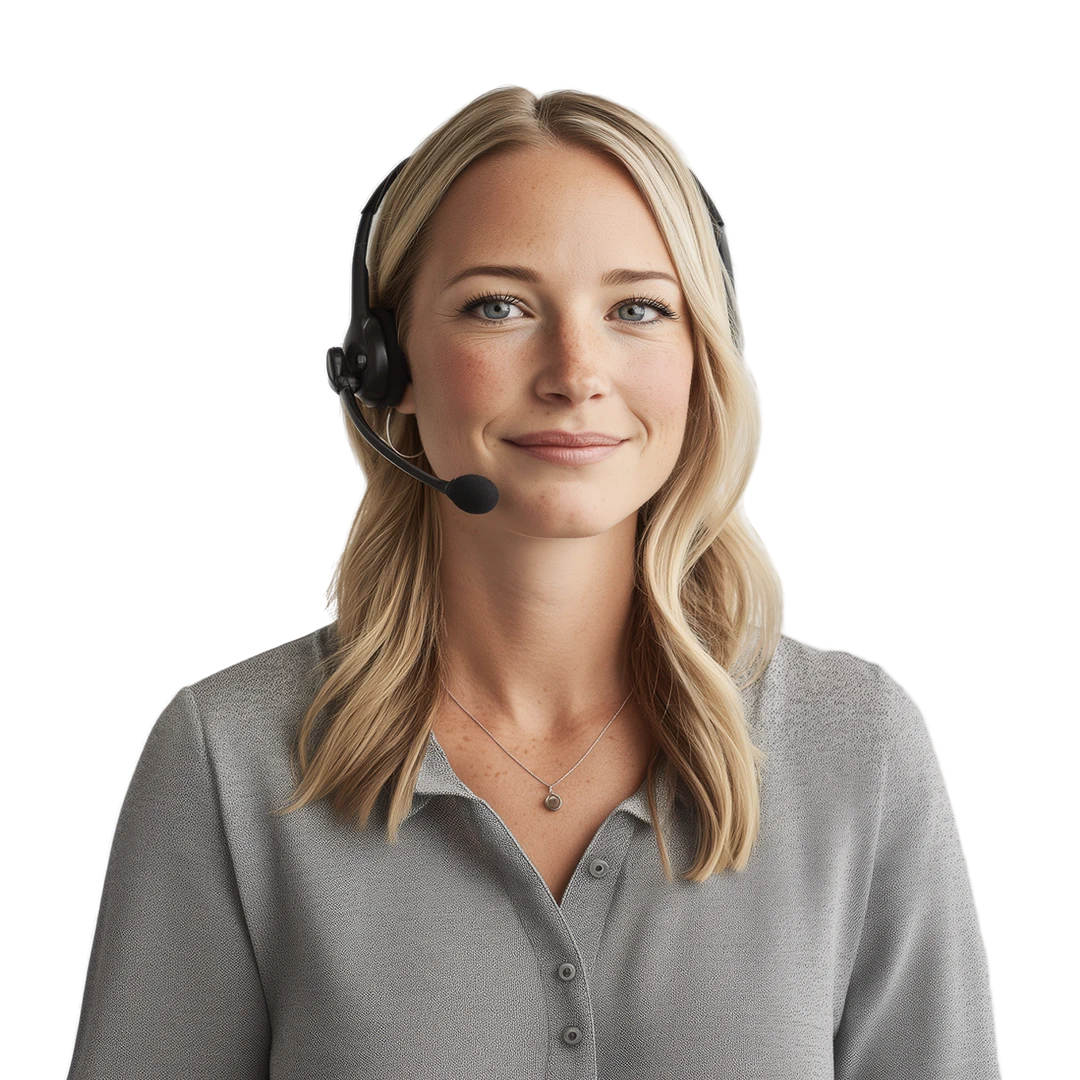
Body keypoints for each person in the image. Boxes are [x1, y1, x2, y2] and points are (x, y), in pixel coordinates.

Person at [67, 84, 1002, 1079]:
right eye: (499, 306)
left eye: (637, 307)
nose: (575, 370)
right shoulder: (227, 757)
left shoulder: (861, 746)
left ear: (700, 362)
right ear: (388, 367)